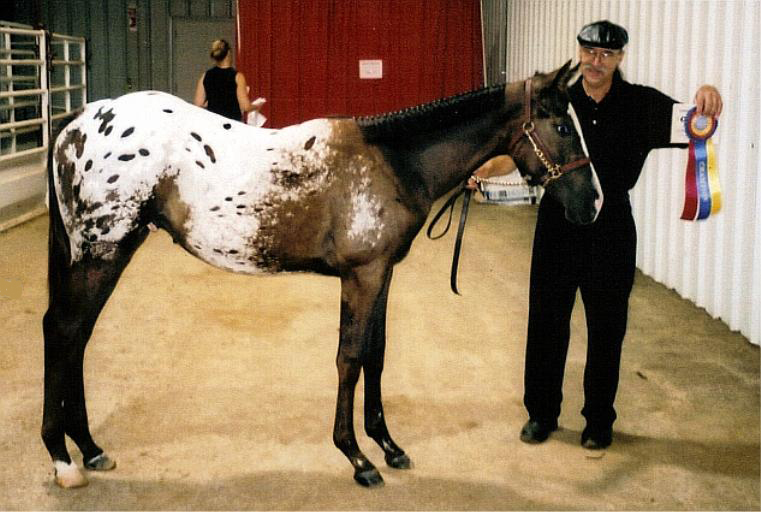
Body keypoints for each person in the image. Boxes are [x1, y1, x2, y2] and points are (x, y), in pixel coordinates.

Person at [516, 20, 723, 449]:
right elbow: (518, 146)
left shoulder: (641, 104)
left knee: (608, 327)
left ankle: (598, 420)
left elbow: (697, 122)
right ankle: (541, 414)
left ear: (620, 58)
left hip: (611, 230)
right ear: (578, 51)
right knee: (546, 323)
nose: (596, 61)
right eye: (589, 52)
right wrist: (481, 172)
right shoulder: (557, 101)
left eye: (606, 54)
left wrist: (707, 95)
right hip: (558, 223)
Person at [193, 39, 265, 122]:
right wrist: (256, 106)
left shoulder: (205, 76)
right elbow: (245, 106)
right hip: (232, 125)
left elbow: (198, 104)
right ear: (229, 53)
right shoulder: (238, 77)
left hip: (213, 124)